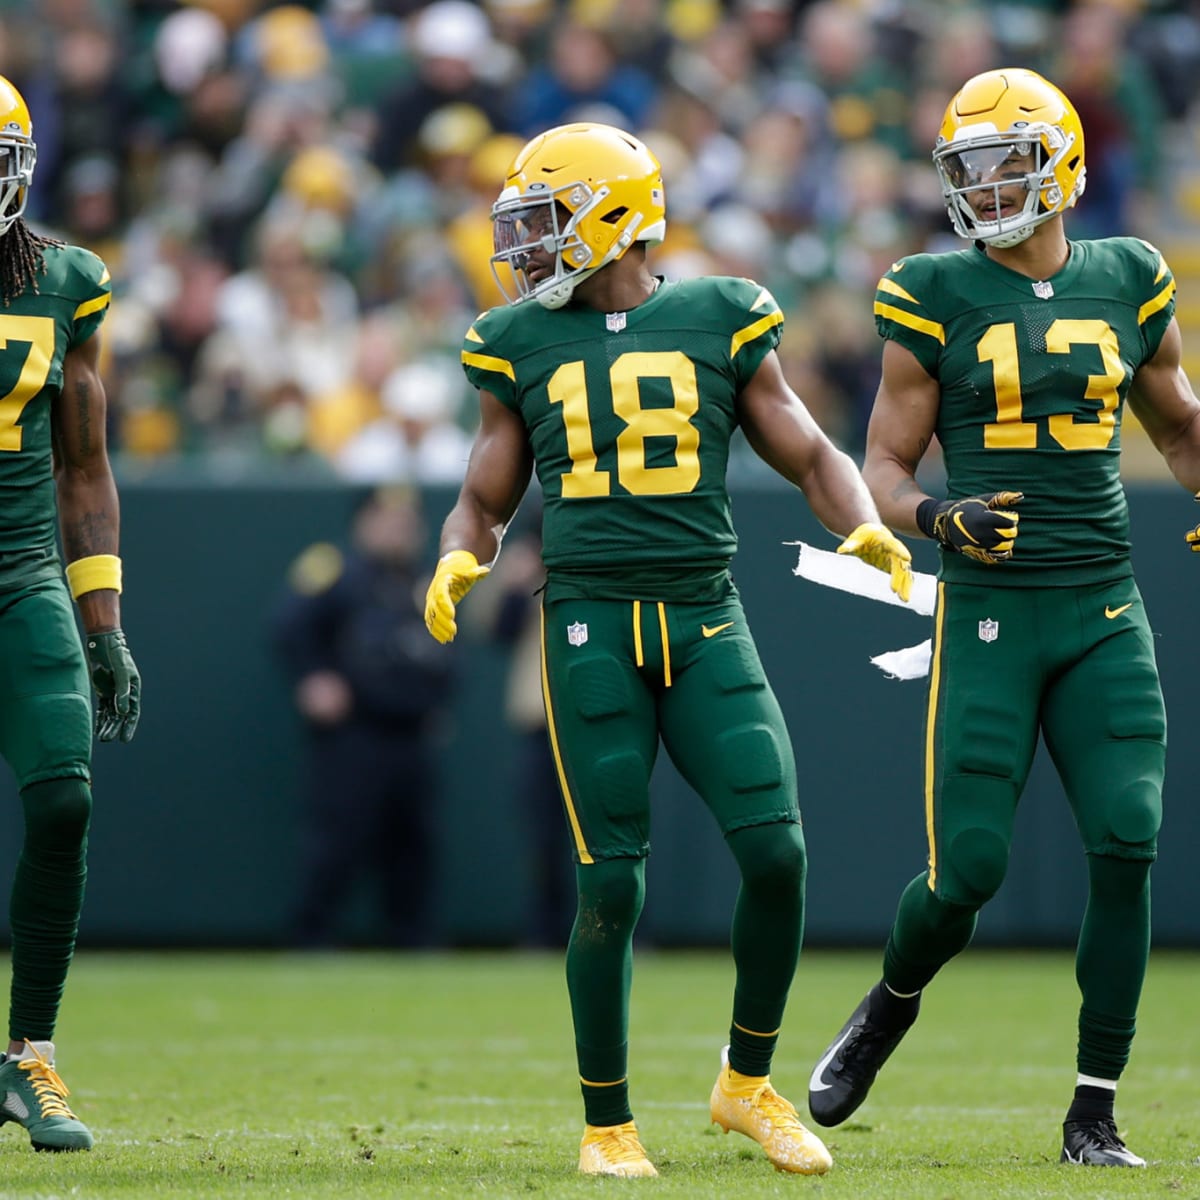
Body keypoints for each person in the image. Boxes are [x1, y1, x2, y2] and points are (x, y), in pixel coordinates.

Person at [422, 121, 913, 1178]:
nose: (526, 246)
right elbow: (481, 494)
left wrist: (860, 522)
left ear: (614, 220)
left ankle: (746, 1084)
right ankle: (608, 1124)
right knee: (611, 886)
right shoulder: (518, 339)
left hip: (702, 617)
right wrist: (459, 555)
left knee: (777, 852)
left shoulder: (718, 314)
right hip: (590, 623)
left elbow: (810, 447)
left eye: (547, 221)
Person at [806, 68, 1200, 1168]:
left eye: (1003, 162)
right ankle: (887, 1005)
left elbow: (1177, 425)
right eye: (967, 169)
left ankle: (1094, 1113)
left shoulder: (1129, 276)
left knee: (1128, 839)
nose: (984, 188)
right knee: (967, 871)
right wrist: (937, 515)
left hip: (1103, 604)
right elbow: (879, 467)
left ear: (1062, 163)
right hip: (991, 612)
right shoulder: (933, 289)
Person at [0, 76, 141, 1150]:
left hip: (21, 577)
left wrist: (104, 621)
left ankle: (29, 1058)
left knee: (63, 803)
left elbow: (83, 468)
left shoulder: (65, 283)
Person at [271, 485, 453, 947]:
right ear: (364, 522)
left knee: (414, 846)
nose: (401, 529)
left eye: (409, 521)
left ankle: (412, 942)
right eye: (390, 519)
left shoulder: (424, 581)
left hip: (412, 735)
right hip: (355, 735)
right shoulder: (335, 572)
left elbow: (448, 654)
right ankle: (312, 937)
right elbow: (288, 626)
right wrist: (313, 677)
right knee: (338, 840)